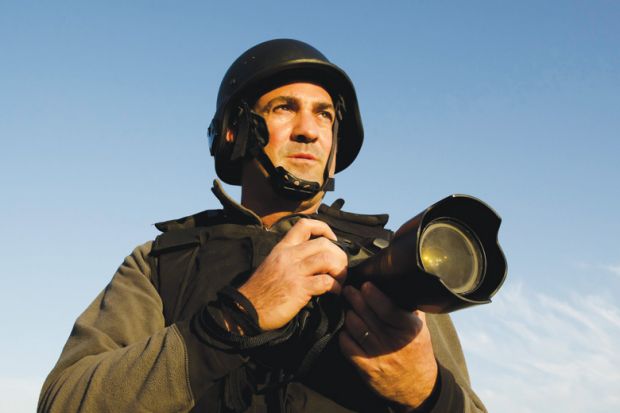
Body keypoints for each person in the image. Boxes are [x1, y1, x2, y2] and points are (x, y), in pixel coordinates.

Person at [38, 39, 487, 413]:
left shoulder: (392, 261)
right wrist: (231, 321)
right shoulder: (161, 263)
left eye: (325, 114)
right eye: (283, 108)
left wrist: (428, 394)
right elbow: (63, 401)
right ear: (235, 130)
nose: (309, 130)